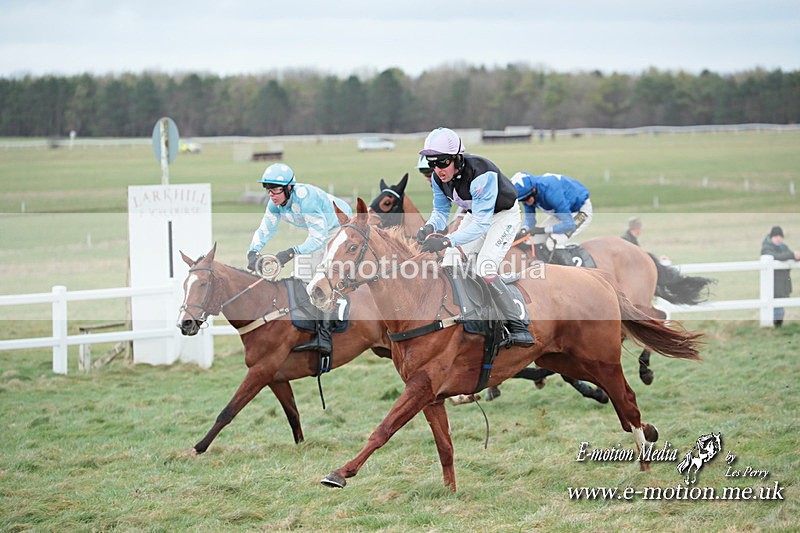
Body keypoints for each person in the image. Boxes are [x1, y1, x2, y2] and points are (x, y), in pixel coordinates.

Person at [416, 127, 534, 347]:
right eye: (432, 163)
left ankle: (519, 326)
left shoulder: (481, 174)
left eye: (442, 162)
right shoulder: (438, 178)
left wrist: (446, 240)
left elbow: (481, 225)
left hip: (503, 217)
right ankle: (464, 316)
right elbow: (440, 212)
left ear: (456, 158)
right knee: (449, 261)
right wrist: (429, 227)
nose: (438, 169)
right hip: (475, 214)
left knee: (484, 267)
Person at [247, 162, 353, 353]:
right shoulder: (275, 203)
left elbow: (319, 238)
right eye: (268, 189)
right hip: (320, 231)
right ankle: (309, 327)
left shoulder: (306, 200)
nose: (271, 194)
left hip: (338, 226)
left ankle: (325, 336)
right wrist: (253, 251)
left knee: (319, 276)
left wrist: (289, 253)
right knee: (300, 277)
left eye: (276, 189)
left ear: (289, 188)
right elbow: (265, 229)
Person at [510, 171, 593, 252]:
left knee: (552, 243)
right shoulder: (528, 194)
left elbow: (569, 225)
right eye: (521, 200)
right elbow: (530, 221)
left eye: (526, 198)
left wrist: (544, 230)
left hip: (580, 211)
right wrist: (524, 229)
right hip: (561, 214)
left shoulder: (552, 194)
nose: (526, 203)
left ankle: (573, 258)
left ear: (534, 190)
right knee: (532, 240)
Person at [760, 225, 800, 327]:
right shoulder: (766, 248)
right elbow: (778, 257)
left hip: (782, 284)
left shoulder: (783, 247)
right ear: (771, 237)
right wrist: (792, 255)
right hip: (773, 284)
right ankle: (774, 328)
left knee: (780, 309)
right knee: (776, 310)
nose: (778, 238)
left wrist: (796, 257)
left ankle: (776, 329)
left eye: (780, 236)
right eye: (776, 236)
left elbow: (789, 255)